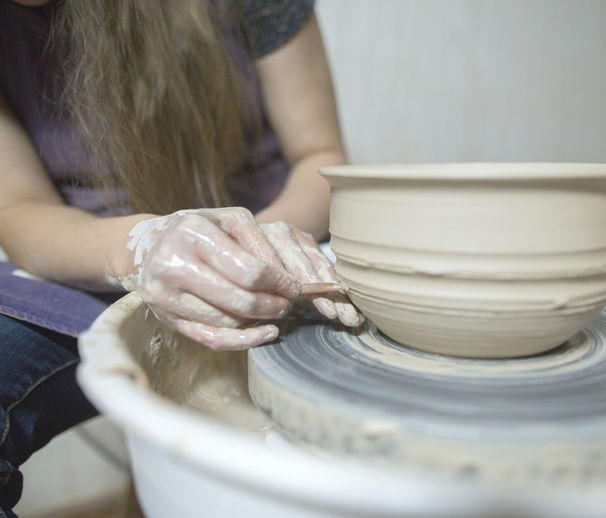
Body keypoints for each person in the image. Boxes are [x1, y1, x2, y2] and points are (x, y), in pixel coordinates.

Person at [0, 0, 360, 515]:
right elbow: (16, 206)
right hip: (89, 253)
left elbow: (319, 155)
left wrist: (250, 248)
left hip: (266, 242)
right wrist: (140, 247)